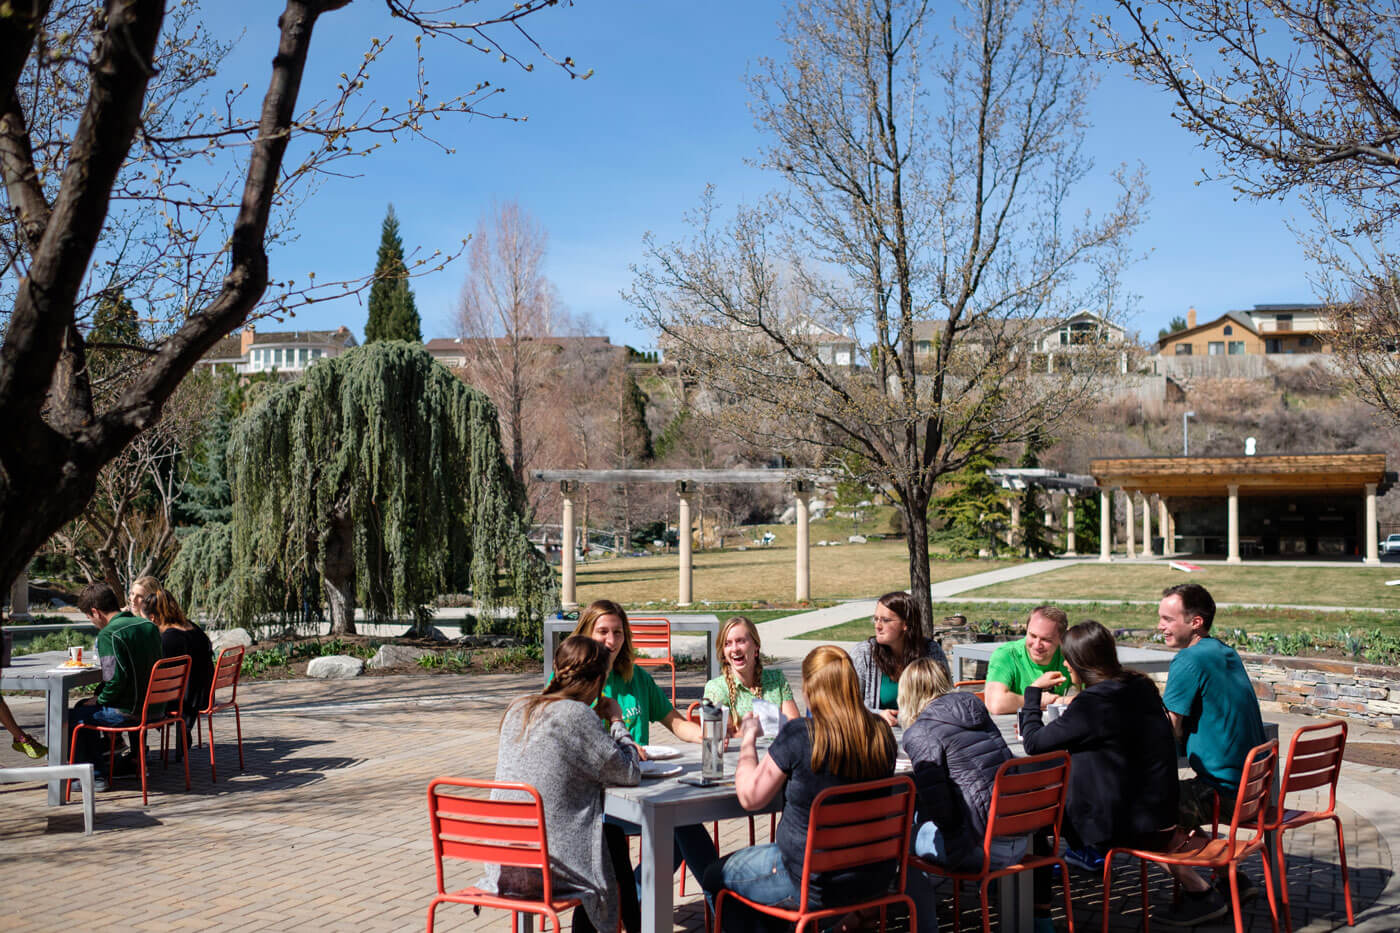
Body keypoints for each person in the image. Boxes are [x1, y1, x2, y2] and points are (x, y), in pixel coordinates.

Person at [699, 645, 898, 933]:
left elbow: (750, 797)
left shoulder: (802, 734)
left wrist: (748, 741)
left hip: (810, 879)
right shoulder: (881, 733)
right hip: (873, 875)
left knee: (714, 875)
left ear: (809, 688)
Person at [1018, 621, 1179, 931]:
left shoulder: (1094, 704)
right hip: (1161, 810)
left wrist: (1032, 695)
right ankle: (1031, 880)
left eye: (1067, 657)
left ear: (1081, 662)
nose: (1064, 663)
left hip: (1125, 823)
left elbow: (1034, 744)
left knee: (1033, 818)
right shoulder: (1138, 685)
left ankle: (1037, 914)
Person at [486, 636, 642, 933]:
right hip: (547, 866)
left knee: (610, 842)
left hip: (505, 861)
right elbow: (630, 772)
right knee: (609, 851)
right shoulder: (576, 715)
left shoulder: (519, 708)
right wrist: (617, 722)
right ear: (598, 680)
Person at [1155, 582, 1266, 926]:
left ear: (1196, 622)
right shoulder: (1223, 652)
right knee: (1166, 804)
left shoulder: (1187, 660)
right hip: (1252, 790)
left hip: (1223, 793)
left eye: (1168, 619)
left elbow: (1168, 730)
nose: (1160, 626)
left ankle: (1201, 895)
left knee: (1140, 814)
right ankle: (1230, 878)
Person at [898, 657, 1022, 933]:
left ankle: (924, 927)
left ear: (907, 693)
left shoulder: (920, 733)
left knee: (902, 838)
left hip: (983, 848)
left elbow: (941, 809)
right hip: (1017, 835)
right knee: (924, 815)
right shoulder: (975, 708)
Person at [70, 582, 163, 791]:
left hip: (130, 711)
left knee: (77, 714)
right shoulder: (148, 626)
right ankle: (116, 761)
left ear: (95, 612)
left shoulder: (108, 635)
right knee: (87, 705)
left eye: (89, 617)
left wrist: (100, 700)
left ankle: (95, 777)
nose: (92, 622)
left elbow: (114, 680)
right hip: (156, 709)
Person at [570, 599, 702, 746]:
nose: (611, 641)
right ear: (585, 635)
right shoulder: (568, 679)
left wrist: (707, 736)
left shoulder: (638, 677)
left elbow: (678, 724)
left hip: (639, 767)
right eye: (603, 632)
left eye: (617, 632)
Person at [850, 591, 950, 726]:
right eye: (876, 619)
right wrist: (876, 715)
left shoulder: (931, 652)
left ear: (906, 624)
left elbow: (946, 701)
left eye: (885, 620)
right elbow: (847, 705)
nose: (877, 626)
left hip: (925, 731)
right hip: (877, 734)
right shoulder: (864, 654)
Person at [145, 588, 215, 757]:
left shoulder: (169, 638)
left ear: (153, 618)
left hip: (185, 701)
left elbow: (162, 677)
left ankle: (136, 756)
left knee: (137, 703)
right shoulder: (193, 628)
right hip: (204, 694)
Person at [704, 616, 801, 733]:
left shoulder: (777, 679)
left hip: (779, 750)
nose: (734, 649)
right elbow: (723, 737)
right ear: (724, 653)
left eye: (741, 641)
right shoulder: (716, 688)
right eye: (727, 643)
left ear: (756, 646)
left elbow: (795, 725)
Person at [983, 605, 1073, 714]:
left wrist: (1059, 701)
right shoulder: (1007, 655)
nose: (1037, 645)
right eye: (1033, 636)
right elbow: (996, 704)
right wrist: (1040, 700)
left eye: (1046, 640)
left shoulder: (1069, 656)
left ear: (1061, 639)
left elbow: (1095, 695)